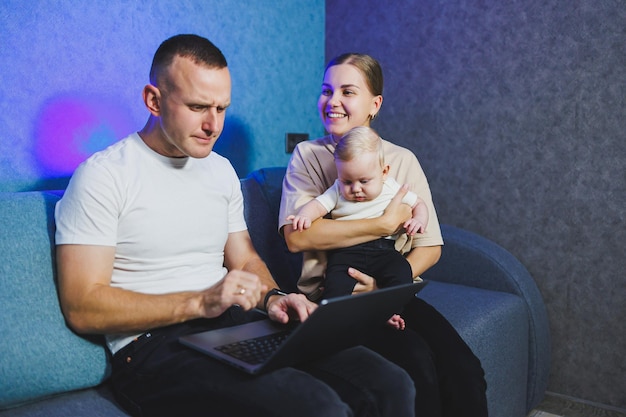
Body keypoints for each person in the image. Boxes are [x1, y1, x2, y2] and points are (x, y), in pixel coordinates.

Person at [54, 35, 416, 417]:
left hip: (230, 324)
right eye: (197, 107)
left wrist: (275, 297)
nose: (213, 125)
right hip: (151, 347)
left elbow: (243, 261)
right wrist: (199, 301)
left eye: (221, 108)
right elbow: (82, 305)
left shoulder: (219, 169)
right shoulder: (102, 176)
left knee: (388, 383)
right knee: (316, 406)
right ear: (153, 100)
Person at [279, 52, 488, 417]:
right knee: (416, 366)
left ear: (374, 104)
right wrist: (381, 224)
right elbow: (298, 237)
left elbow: (430, 245)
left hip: (393, 290)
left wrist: (386, 289)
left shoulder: (401, 160)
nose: (333, 102)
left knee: (465, 370)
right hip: (333, 299)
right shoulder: (308, 155)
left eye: (348, 91)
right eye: (327, 91)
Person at [287, 126, 428, 329]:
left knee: (401, 271)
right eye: (348, 181)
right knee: (336, 284)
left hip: (384, 252)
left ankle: (390, 312)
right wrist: (304, 216)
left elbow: (418, 204)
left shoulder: (392, 187)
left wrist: (419, 220)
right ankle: (328, 321)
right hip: (346, 252)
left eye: (364, 181)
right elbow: (317, 205)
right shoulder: (336, 189)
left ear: (384, 172)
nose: (355, 189)